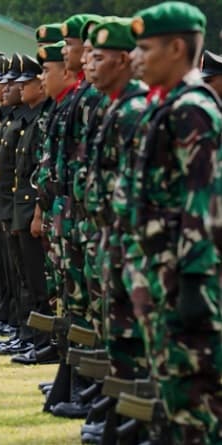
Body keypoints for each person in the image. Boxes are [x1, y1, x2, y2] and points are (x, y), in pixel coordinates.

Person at [127, 3, 221, 443]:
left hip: (186, 278)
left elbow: (202, 203)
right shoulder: (163, 107)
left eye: (145, 48)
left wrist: (194, 284)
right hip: (162, 272)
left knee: (196, 404)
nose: (136, 58)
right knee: (173, 396)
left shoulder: (193, 110)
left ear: (178, 47)